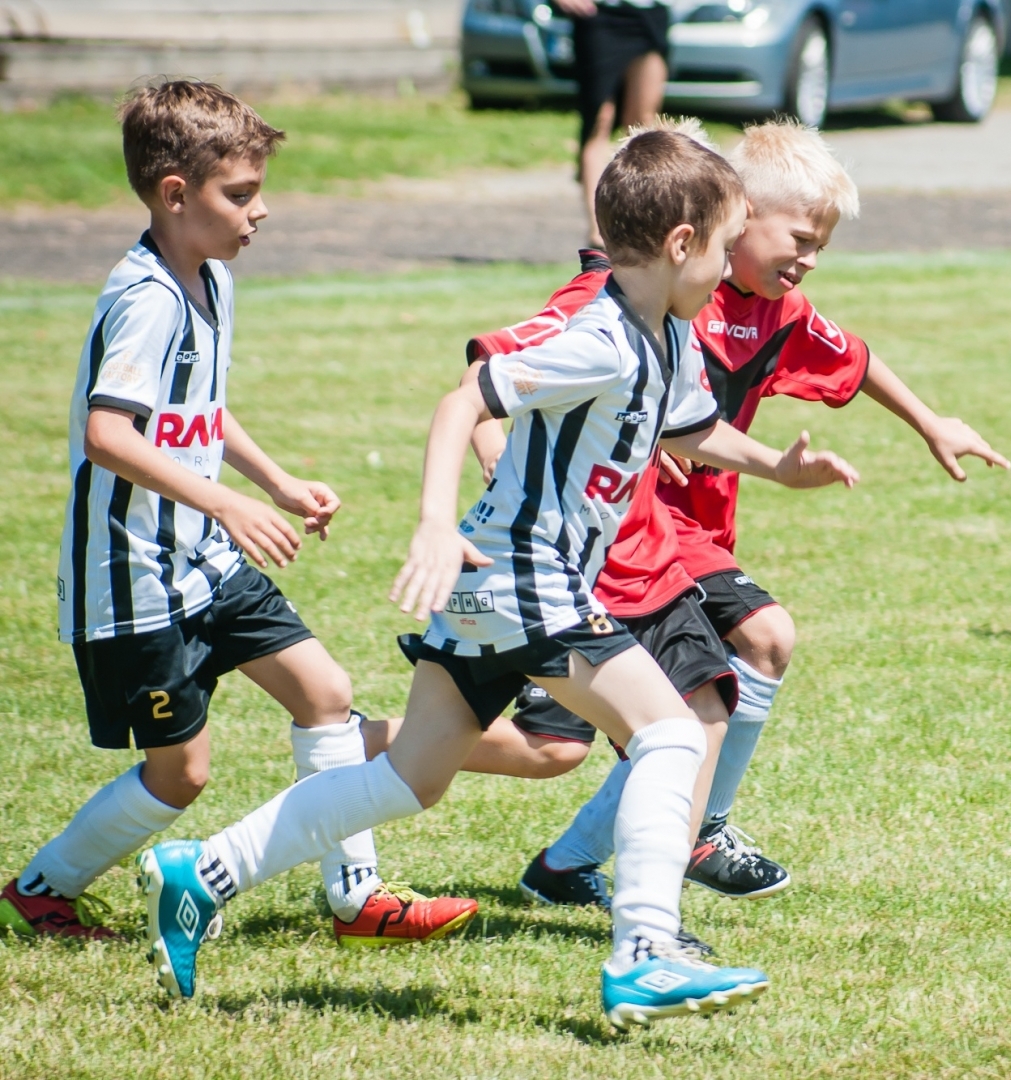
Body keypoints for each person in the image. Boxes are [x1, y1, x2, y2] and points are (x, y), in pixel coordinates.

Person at [134, 129, 860, 1029]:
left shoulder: (666, 337)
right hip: (524, 576)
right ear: (681, 247)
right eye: (721, 247)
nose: (723, 271)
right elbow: (465, 399)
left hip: (499, 588)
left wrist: (777, 470)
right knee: (672, 734)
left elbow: (693, 431)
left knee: (409, 778)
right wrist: (435, 521)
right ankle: (645, 948)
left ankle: (205, 871)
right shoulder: (599, 336)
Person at [468, 120, 1008, 906]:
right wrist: (492, 443)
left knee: (620, 729)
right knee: (631, 715)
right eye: (800, 236)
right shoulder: (650, 288)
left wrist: (931, 422)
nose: (810, 258)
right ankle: (684, 845)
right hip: (616, 539)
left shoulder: (776, 310)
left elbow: (852, 358)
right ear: (737, 212)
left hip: (682, 541)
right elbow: (502, 367)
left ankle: (573, 862)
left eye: (822, 243)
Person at [0, 80, 475, 948]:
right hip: (133, 577)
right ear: (176, 195)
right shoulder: (143, 298)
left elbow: (199, 411)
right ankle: (43, 888)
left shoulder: (210, 277)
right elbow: (110, 436)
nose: (262, 213)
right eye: (242, 195)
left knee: (327, 695)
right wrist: (226, 499)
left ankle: (357, 901)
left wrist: (277, 481)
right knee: (181, 775)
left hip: (204, 558)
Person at [559, 0, 671, 246]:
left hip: (649, 14)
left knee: (643, 127)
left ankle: (641, 223)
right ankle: (599, 234)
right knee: (600, 121)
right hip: (601, 15)